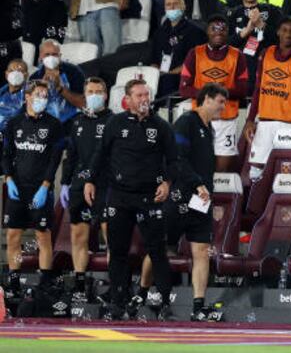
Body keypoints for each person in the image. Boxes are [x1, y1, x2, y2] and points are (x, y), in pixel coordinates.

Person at [85, 79, 178, 321]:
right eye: (139, 95)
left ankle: (165, 302)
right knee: (117, 251)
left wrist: (167, 183)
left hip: (150, 196)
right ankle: (117, 302)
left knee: (157, 250)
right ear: (128, 99)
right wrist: (89, 180)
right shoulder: (115, 123)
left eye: (146, 95)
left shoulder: (161, 126)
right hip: (120, 195)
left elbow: (175, 160)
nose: (144, 99)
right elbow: (100, 154)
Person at [169, 83, 228, 322]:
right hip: (180, 196)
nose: (223, 107)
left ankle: (198, 307)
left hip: (201, 199)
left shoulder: (209, 128)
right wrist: (196, 183)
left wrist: (206, 190)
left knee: (201, 251)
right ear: (206, 99)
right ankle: (142, 294)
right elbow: (177, 159)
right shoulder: (186, 122)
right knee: (160, 247)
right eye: (220, 102)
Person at [2, 80, 65, 298]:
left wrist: (46, 186)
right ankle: (14, 281)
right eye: (38, 94)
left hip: (41, 189)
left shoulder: (54, 125)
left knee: (43, 235)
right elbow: (6, 155)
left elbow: (54, 160)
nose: (42, 99)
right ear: (27, 97)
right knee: (13, 235)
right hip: (17, 188)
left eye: (45, 96)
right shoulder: (13, 123)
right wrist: (8, 179)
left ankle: (45, 281)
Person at [243, 17, 291, 182]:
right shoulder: (266, 54)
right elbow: (257, 89)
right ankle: (256, 208)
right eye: (284, 30)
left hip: (290, 125)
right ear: (278, 32)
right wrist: (250, 119)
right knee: (255, 174)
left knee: (287, 176)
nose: (288, 34)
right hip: (265, 123)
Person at [60, 77, 112, 301]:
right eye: (90, 91)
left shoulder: (114, 121)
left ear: (106, 95)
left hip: (106, 185)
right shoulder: (77, 122)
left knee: (111, 236)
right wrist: (64, 182)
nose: (94, 95)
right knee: (78, 236)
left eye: (98, 91)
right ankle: (80, 285)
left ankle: (114, 286)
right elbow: (71, 156)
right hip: (79, 186)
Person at [179, 16, 249, 172]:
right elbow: (184, 89)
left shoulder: (238, 55)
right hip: (200, 120)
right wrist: (211, 94)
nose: (218, 32)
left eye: (222, 29)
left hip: (226, 120)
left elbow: (243, 90)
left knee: (220, 173)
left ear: (228, 32)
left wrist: (217, 94)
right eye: (214, 29)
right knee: (198, 169)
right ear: (207, 32)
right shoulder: (194, 54)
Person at [226, 0, 283, 93]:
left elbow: (282, 39)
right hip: (241, 72)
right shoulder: (232, 15)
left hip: (270, 71)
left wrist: (261, 25)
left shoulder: (273, 11)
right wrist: (246, 31)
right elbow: (225, 45)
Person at [150, 0, 207, 97]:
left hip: (182, 78)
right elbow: (153, 59)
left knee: (168, 81)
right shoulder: (159, 33)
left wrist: (170, 73)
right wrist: (155, 73)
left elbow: (196, 62)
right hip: (161, 77)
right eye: (168, 4)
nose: (172, 7)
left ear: (184, 6)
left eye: (175, 4)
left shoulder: (195, 32)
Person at [30, 39, 86, 123]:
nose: (51, 57)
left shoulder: (73, 71)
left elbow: (83, 104)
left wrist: (60, 88)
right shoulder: (35, 77)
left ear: (60, 56)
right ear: (41, 57)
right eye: (47, 55)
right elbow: (31, 109)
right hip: (45, 123)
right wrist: (42, 88)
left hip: (71, 122)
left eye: (54, 54)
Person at [0, 60, 28, 137]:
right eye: (11, 71)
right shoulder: (1, 92)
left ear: (26, 75)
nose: (15, 74)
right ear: (6, 74)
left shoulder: (31, 94)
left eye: (20, 71)